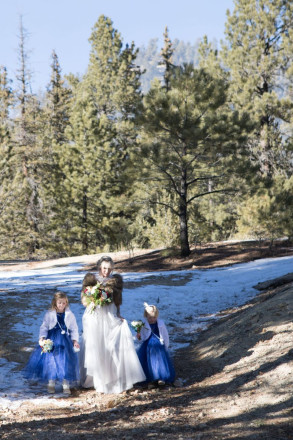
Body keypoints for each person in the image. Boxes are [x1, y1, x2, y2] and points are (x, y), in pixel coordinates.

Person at [80, 256, 146, 393]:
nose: (107, 271)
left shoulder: (115, 282)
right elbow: (84, 300)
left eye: (109, 269)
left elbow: (117, 302)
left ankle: (111, 378)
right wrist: (93, 299)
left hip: (109, 314)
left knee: (110, 344)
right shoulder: (90, 281)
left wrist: (119, 314)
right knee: (96, 344)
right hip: (95, 315)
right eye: (104, 268)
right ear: (99, 268)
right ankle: (95, 379)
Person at [23, 291, 80, 395]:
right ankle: (51, 382)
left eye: (64, 303)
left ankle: (65, 383)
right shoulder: (49, 314)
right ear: (55, 303)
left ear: (66, 303)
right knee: (51, 360)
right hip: (52, 339)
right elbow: (44, 326)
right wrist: (42, 338)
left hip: (64, 341)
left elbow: (74, 328)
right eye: (59, 303)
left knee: (64, 361)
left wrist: (75, 340)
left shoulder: (70, 315)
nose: (62, 305)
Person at [136, 302, 175, 386]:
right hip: (147, 344)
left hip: (158, 344)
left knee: (159, 361)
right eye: (150, 318)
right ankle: (150, 377)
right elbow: (141, 337)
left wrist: (166, 345)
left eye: (154, 317)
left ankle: (161, 377)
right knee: (148, 361)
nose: (152, 320)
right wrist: (138, 336)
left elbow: (165, 334)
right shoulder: (143, 324)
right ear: (146, 316)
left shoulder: (160, 323)